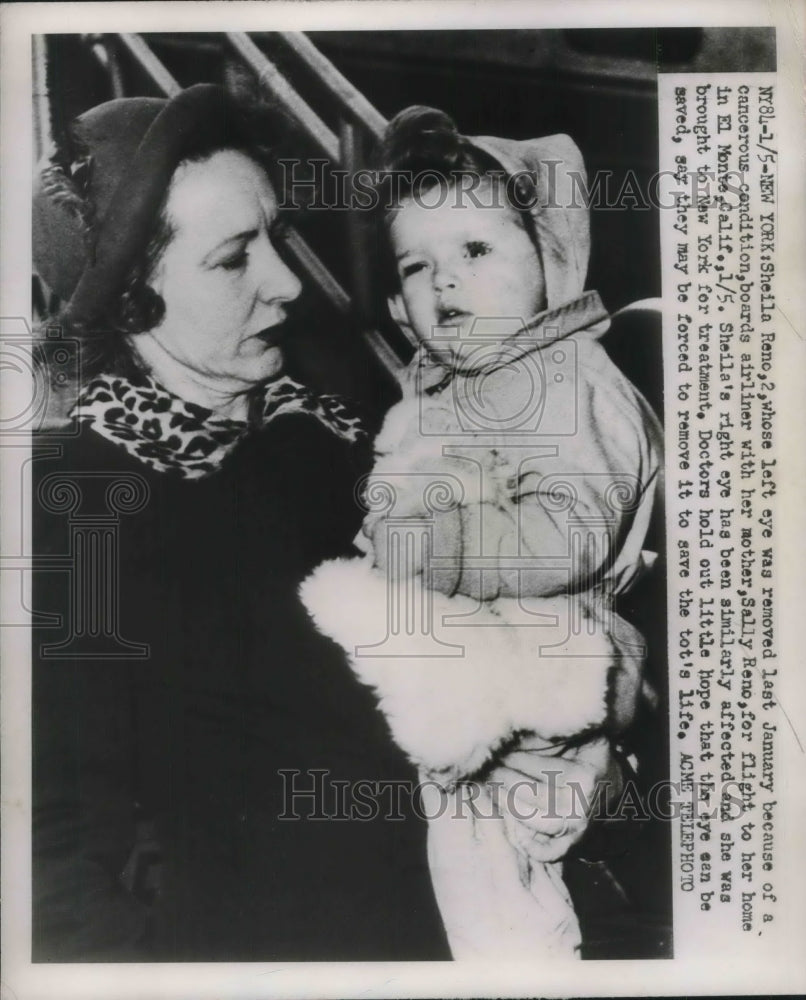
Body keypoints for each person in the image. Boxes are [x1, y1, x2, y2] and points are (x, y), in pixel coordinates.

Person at [30, 83, 456, 962]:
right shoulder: (87, 506)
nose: (289, 281)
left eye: (278, 235)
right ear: (131, 301)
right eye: (233, 259)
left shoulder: (332, 428)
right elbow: (53, 848)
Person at [301, 106, 664, 958]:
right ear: (395, 300)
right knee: (457, 841)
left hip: (554, 646)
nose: (445, 283)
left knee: (497, 860)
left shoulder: (570, 376)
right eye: (417, 266)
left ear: (552, 262)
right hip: (482, 648)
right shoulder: (455, 389)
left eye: (476, 251)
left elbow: (571, 530)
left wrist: (441, 551)